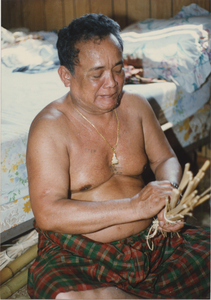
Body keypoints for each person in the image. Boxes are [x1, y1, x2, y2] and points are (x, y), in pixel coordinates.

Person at [26, 14, 210, 299]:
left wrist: (168, 196)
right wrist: (135, 207)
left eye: (118, 69)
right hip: (81, 254)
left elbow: (165, 160)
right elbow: (48, 212)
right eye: (97, 74)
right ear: (66, 76)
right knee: (66, 296)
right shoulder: (49, 127)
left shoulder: (136, 106)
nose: (112, 83)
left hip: (156, 242)